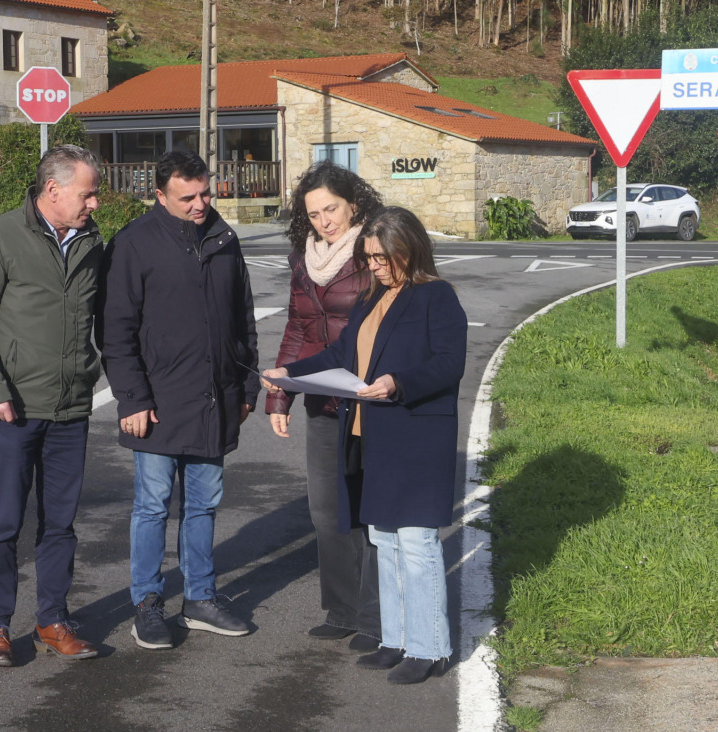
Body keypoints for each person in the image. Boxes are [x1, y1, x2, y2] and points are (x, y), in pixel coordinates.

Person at [262, 206, 467, 685]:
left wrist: (398, 382)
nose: (374, 266)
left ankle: (429, 647)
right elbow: (341, 354)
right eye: (369, 257)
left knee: (415, 543)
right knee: (384, 540)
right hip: (371, 436)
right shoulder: (373, 297)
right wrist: (291, 374)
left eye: (382, 257)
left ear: (409, 249)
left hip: (415, 437)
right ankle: (394, 640)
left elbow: (448, 364)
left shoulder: (437, 297)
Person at [99, 149, 260, 651]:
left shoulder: (224, 239)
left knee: (204, 504)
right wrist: (131, 400)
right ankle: (147, 604)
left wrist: (247, 386)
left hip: (215, 399)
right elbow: (115, 332)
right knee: (151, 506)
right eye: (187, 196)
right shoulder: (132, 245)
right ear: (159, 195)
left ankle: (200, 599)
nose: (200, 203)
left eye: (205, 193)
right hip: (158, 403)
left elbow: (243, 321)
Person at [0, 144, 105, 667]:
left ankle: (53, 620)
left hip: (70, 408)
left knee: (60, 524)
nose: (96, 203)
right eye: (88, 193)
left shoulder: (91, 242)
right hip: (10, 410)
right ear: (53, 190)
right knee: (4, 523)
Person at [267, 161, 383, 652]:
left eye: (331, 209)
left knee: (373, 510)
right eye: (313, 214)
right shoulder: (304, 258)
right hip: (322, 399)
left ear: (353, 203)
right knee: (327, 511)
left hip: (370, 400)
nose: (323, 222)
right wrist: (280, 393)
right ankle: (343, 612)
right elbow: (298, 329)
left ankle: (378, 618)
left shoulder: (376, 249)